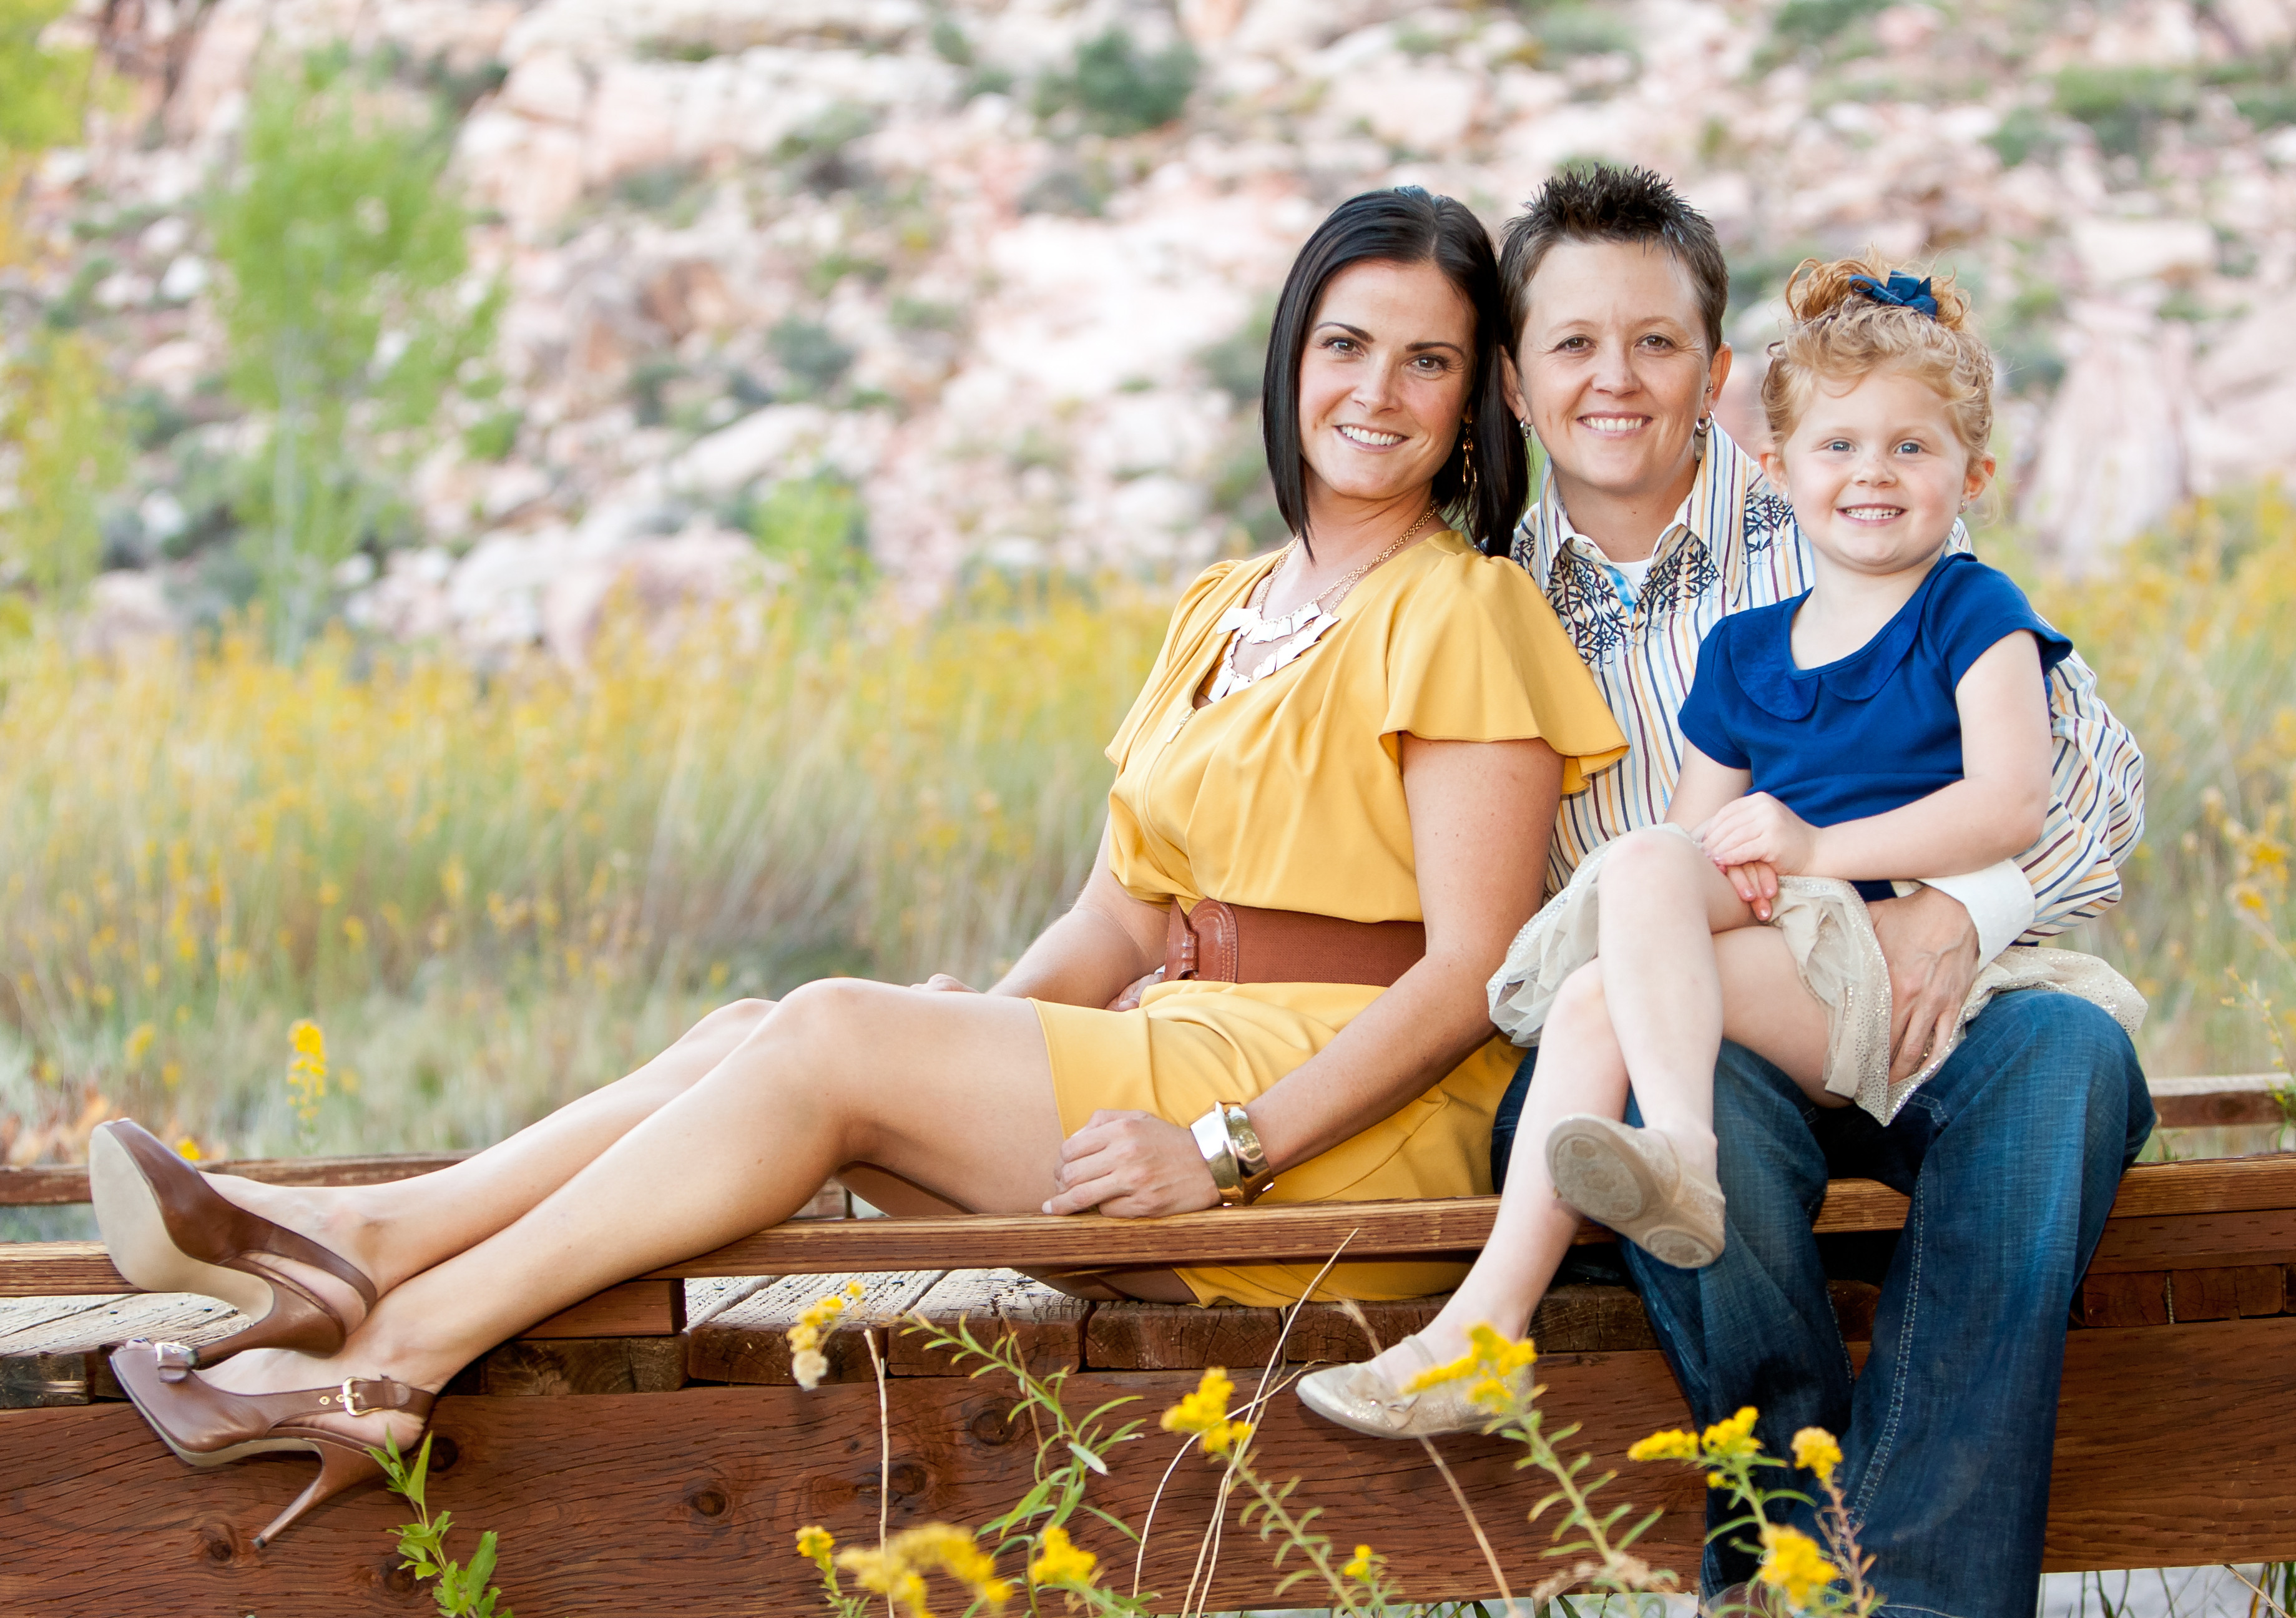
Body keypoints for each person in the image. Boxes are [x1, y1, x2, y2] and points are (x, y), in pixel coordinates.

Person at [86, 185, 1626, 1548]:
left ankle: (388, 1339)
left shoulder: (1466, 609)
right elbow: (1120, 915)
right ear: (1290, 360)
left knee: (826, 1031)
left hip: (1327, 1133)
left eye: (1427, 361)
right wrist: (962, 1031)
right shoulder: (1226, 604)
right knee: (750, 1037)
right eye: (1347, 345)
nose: (1379, 391)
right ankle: (368, 1250)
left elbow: (1468, 977)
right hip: (1170, 1053)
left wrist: (1227, 1149)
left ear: (1475, 403)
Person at [1319, 166, 2152, 1618]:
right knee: (1649, 1080)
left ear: (1715, 377)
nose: (1616, 380)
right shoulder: (1479, 599)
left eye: (1655, 342)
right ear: (1515, 382)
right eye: (1573, 344)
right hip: (1683, 1036)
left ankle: (1904, 1594)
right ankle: (1786, 1548)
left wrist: (1964, 912)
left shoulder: (1848, 494)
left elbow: (2095, 783)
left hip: (1919, 985)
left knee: (2073, 1062)